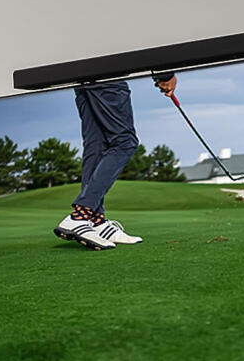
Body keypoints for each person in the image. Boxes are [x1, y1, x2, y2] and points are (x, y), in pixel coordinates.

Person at [56, 73, 177, 250]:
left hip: (81, 74)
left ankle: (96, 222)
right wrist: (165, 74)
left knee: (97, 145)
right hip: (107, 75)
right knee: (125, 143)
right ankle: (80, 215)